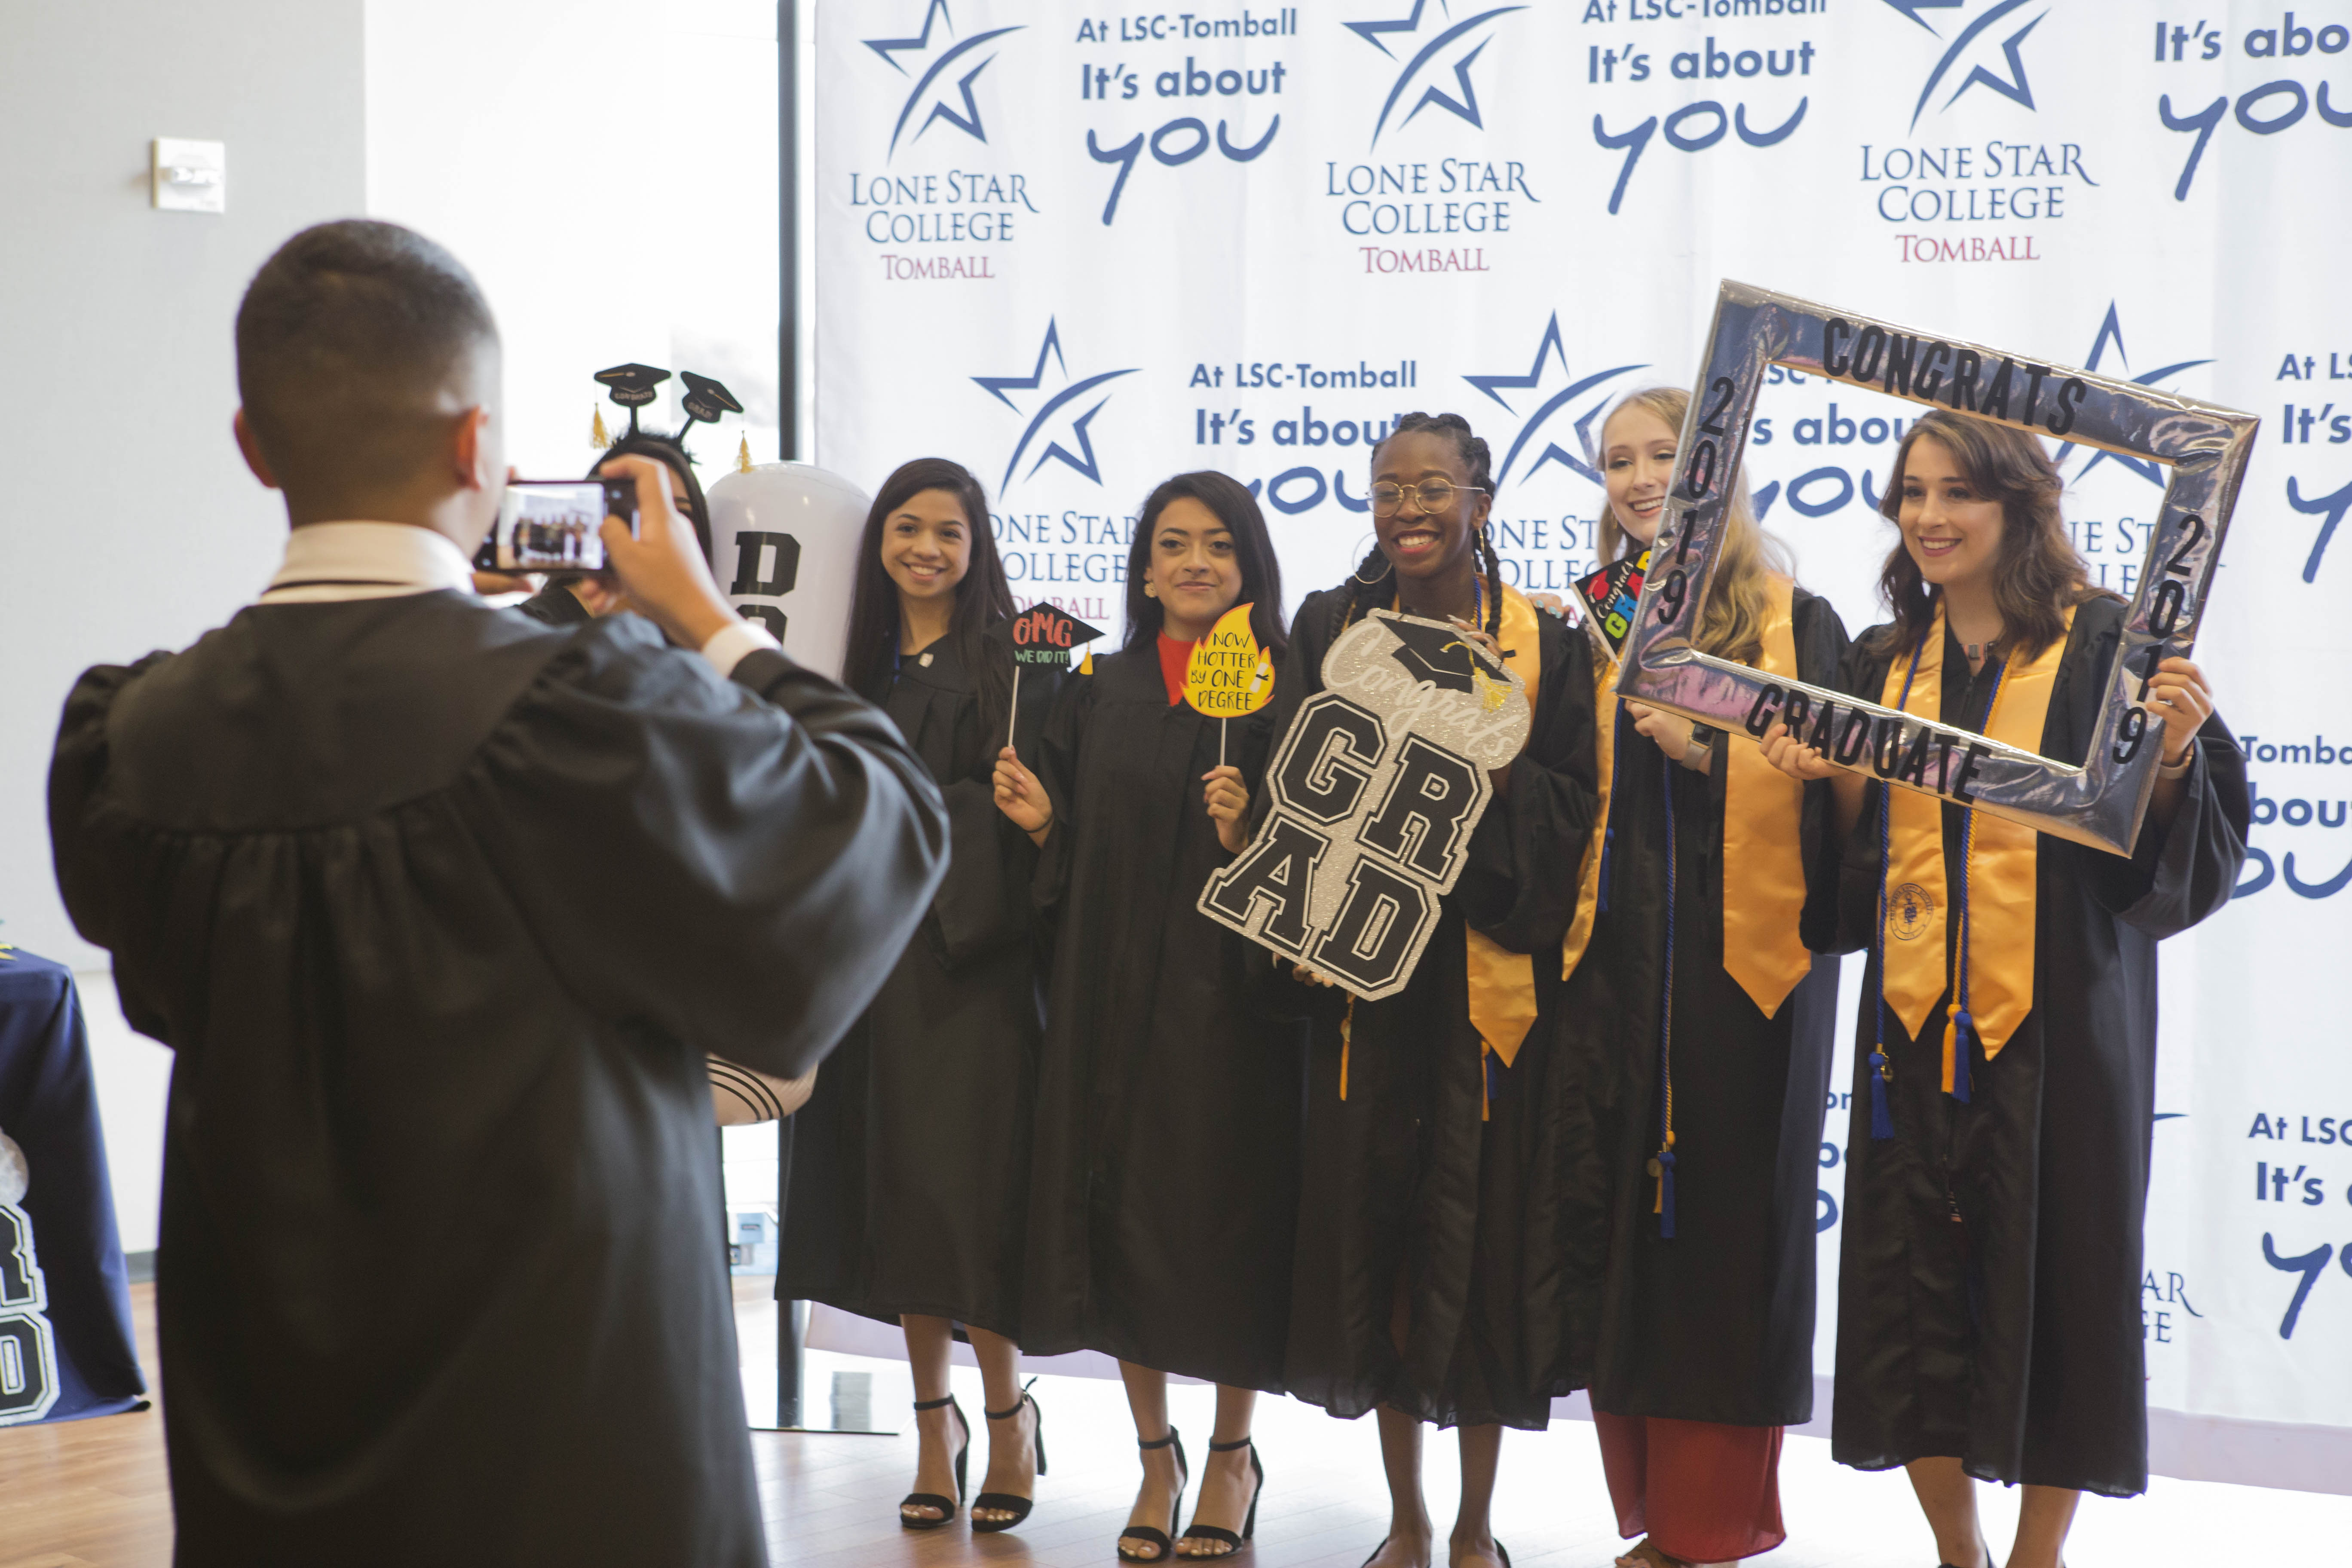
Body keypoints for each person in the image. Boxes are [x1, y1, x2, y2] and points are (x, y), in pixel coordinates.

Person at [45, 220, 949, 1567]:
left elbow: (178, 998)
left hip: (271, 1448)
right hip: (566, 1450)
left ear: (253, 446)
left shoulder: (134, 739)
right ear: (480, 452)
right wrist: (710, 622)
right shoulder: (573, 713)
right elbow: (877, 826)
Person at [1760, 410, 2247, 1568]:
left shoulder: (2114, 648)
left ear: (2019, 502)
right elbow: (1852, 879)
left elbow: (2174, 854)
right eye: (1912, 493)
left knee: (2064, 1281)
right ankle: (1958, 1554)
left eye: (1958, 492)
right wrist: (1827, 783)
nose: (1929, 516)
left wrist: (2174, 751)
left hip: (2064, 1024)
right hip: (1911, 1030)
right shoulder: (1884, 666)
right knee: (1909, 1294)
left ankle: (2037, 1558)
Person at [1273, 413, 1599, 1568]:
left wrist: (1498, 758)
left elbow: (1574, 808)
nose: (1407, 508)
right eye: (1387, 487)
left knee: (1478, 1259)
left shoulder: (1547, 646)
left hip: (1483, 990)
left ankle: (1473, 1526)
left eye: (1432, 486)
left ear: (1481, 495)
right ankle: (1405, 1520)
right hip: (1369, 984)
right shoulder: (1332, 625)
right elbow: (1291, 775)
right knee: (1383, 1254)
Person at [1550, 389, 1848, 1568]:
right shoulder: (1598, 627)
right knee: (1628, 1240)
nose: (1636, 477)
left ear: (1714, 470)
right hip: (1617, 976)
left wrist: (1707, 748)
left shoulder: (1797, 625)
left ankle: (1711, 1525)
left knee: (1724, 1244)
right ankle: (1657, 1518)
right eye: (1617, 460)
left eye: (1664, 454)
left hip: (1746, 990)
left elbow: (1835, 797)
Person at [989, 472, 1307, 1561]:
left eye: (1219, 547)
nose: (1194, 565)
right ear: (1142, 566)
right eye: (1172, 545)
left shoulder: (1283, 689)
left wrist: (1250, 833)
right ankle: (1154, 1456)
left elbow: (1312, 871)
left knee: (1214, 1223)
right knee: (1115, 1213)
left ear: (1249, 566)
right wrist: (1042, 828)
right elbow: (1073, 863)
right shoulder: (1098, 686)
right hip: (1105, 995)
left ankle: (1230, 1455)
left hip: (1228, 1007)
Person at [777, 457, 1056, 1535]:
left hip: (965, 971)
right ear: (878, 540)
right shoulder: (849, 665)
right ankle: (934, 1430)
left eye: (950, 531)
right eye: (906, 527)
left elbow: (1020, 822)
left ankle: (1008, 1412)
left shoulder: (1013, 669)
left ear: (978, 545)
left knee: (965, 1206)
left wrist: (921, 810)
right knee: (894, 1203)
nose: (926, 549)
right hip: (865, 972)